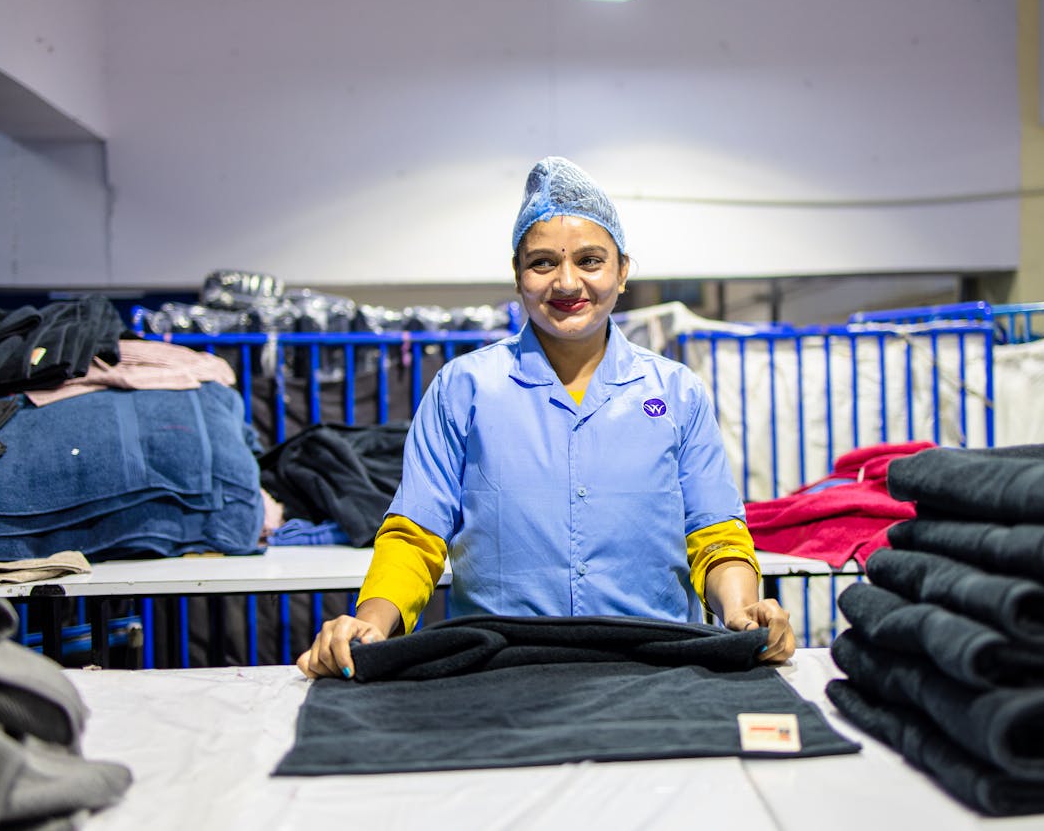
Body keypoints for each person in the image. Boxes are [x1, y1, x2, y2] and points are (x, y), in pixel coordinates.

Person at [298, 156, 795, 679]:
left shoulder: (678, 393)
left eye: (590, 260)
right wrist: (371, 624)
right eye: (542, 263)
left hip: (657, 663)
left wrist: (741, 611)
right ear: (517, 276)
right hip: (500, 670)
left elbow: (715, 532)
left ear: (623, 271)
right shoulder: (463, 389)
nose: (567, 282)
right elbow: (416, 535)